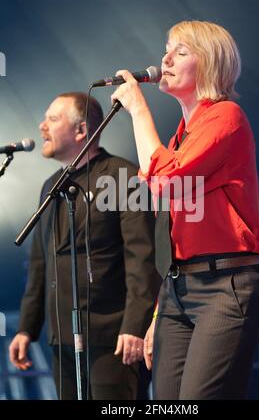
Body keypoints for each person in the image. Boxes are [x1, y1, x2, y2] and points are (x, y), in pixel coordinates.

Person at [111, 20, 259, 399]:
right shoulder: (179, 138)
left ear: (211, 63)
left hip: (225, 285)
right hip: (178, 288)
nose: (164, 58)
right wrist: (158, 312)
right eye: (166, 48)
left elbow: (166, 180)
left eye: (180, 51)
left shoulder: (226, 116)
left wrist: (138, 110)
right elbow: (168, 217)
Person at [9, 92, 161, 400]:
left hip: (113, 338)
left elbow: (143, 258)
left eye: (53, 119)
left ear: (81, 130)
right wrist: (27, 327)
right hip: (62, 339)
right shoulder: (50, 187)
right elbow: (40, 263)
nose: (42, 127)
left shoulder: (123, 176)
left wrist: (134, 325)